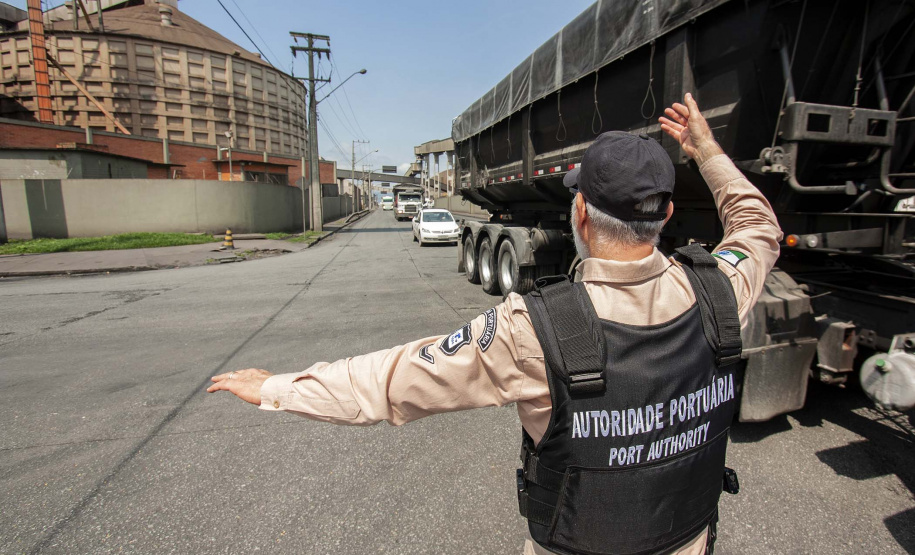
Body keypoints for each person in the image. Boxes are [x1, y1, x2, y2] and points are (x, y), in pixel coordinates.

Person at [207, 93, 782, 555]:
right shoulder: (719, 291)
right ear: (667, 213)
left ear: (579, 212)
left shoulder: (534, 330)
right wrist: (706, 150)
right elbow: (756, 226)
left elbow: (391, 381)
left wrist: (277, 390)